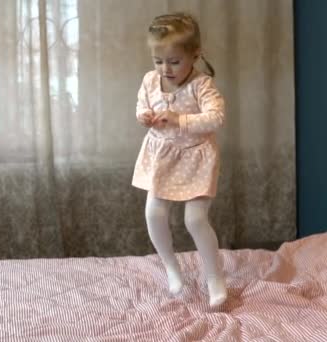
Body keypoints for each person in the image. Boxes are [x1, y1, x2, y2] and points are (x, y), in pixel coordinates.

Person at [132, 12, 227, 307]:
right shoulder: (150, 81)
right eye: (158, 61)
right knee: (154, 214)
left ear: (195, 55)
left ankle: (214, 278)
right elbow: (140, 106)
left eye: (174, 61)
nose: (165, 69)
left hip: (196, 157)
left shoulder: (202, 85)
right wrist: (144, 116)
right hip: (163, 155)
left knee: (195, 219)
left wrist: (180, 119)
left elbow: (217, 117)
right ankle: (172, 268)